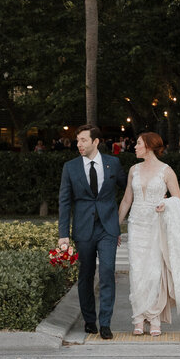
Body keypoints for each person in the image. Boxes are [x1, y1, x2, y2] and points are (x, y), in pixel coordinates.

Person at [118, 132, 180, 336]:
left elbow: (177, 200)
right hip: (136, 225)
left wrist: (165, 204)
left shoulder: (166, 171)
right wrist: (115, 227)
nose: (134, 146)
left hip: (156, 226)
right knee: (137, 271)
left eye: (137, 143)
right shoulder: (133, 170)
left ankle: (154, 317)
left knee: (154, 271)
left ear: (148, 146)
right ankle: (138, 318)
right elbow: (127, 199)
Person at [57, 124, 127, 340]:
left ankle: (105, 322)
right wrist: (63, 234)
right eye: (78, 140)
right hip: (83, 229)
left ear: (96, 142)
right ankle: (89, 320)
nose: (79, 144)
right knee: (86, 275)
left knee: (107, 272)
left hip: (108, 228)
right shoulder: (70, 167)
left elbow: (129, 189)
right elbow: (64, 202)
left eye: (83, 140)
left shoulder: (113, 163)